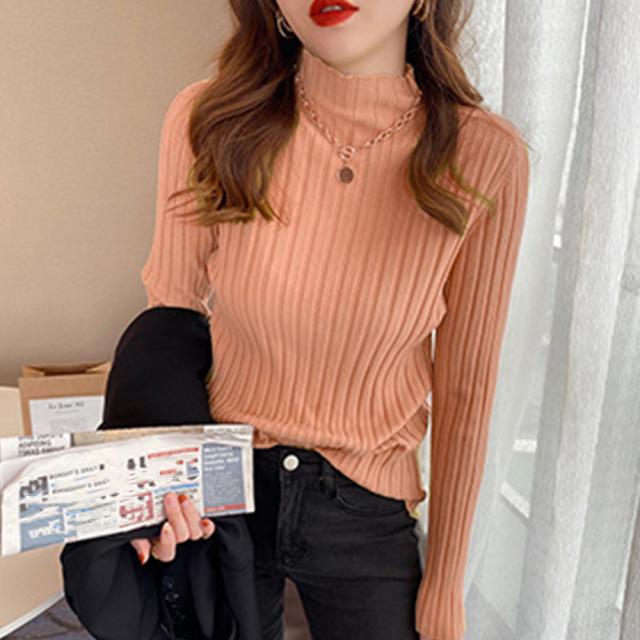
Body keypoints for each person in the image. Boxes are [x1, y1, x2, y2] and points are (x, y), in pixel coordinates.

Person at [131, 1, 531, 639]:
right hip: (221, 496)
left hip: (368, 512)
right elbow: (170, 323)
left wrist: (446, 580)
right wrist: (161, 492)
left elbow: (465, 387)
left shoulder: (484, 156)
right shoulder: (209, 121)